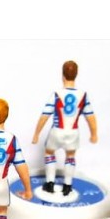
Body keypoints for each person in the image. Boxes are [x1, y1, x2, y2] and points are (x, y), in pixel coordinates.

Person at [31, 60, 98, 195]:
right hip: (73, 132)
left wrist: (36, 133)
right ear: (76, 75)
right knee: (70, 156)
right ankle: (67, 185)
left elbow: (45, 115)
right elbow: (90, 117)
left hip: (57, 130)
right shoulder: (83, 95)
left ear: (62, 75)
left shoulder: (57, 94)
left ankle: (50, 183)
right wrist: (94, 133)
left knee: (49, 152)